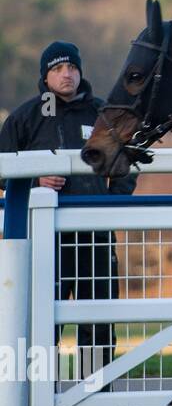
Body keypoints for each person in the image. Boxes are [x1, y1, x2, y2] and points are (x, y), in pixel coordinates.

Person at [0, 41, 137, 387]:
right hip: (44, 240)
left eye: (72, 68)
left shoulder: (104, 113)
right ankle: (38, 394)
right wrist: (36, 180)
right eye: (59, 69)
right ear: (45, 76)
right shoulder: (25, 117)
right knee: (44, 317)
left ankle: (94, 393)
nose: (67, 74)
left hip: (96, 235)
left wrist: (111, 199)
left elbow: (129, 164)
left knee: (97, 317)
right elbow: (2, 172)